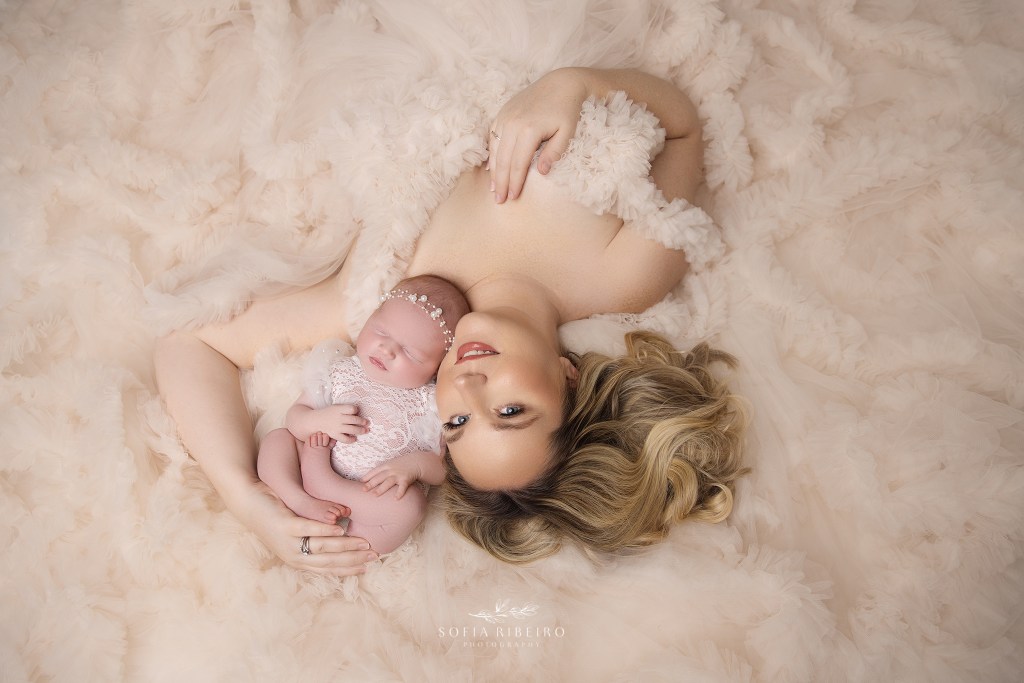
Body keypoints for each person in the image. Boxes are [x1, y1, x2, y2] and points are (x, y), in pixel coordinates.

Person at [155, 67, 745, 575]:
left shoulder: (383, 308)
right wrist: (574, 85)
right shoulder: (623, 276)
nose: (467, 386)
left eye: (458, 422)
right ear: (568, 377)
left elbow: (191, 342)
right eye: (511, 412)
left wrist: (246, 498)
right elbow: (683, 128)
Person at [256, 274, 470, 555]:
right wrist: (317, 420)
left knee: (410, 507)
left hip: (366, 495)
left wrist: (415, 466)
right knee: (277, 440)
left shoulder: (430, 403)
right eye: (381, 332)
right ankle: (298, 499)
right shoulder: (340, 369)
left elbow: (441, 469)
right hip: (312, 458)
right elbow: (295, 418)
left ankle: (351, 545)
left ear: (437, 368)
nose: (386, 349)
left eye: (410, 353)